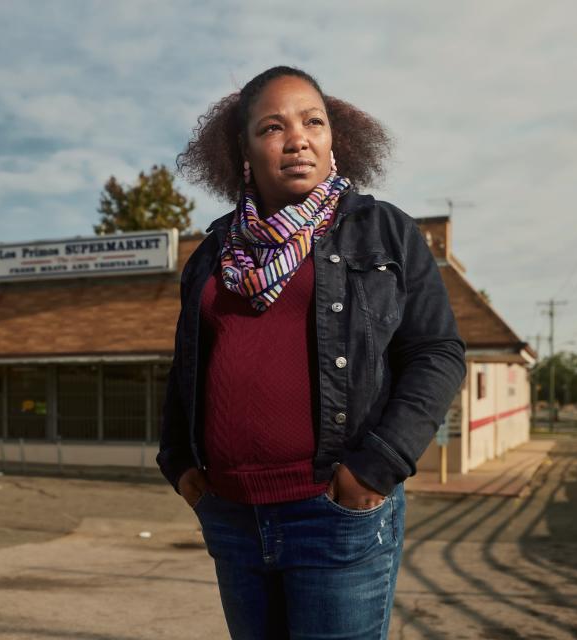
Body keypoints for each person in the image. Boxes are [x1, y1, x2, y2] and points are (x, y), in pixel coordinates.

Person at [156, 65, 467, 639]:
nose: (297, 138)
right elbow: (186, 366)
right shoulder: (213, 252)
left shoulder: (385, 232)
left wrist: (374, 468)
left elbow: (437, 353)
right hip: (232, 516)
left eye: (313, 122)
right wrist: (177, 462)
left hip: (335, 514)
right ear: (243, 151)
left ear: (334, 138)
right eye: (272, 127)